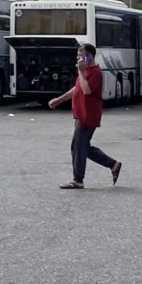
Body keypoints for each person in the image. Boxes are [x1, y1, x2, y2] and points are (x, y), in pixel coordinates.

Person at [49, 43, 122, 190]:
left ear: (89, 56)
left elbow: (87, 90)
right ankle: (113, 164)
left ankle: (78, 180)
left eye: (80, 55)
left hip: (88, 115)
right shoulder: (86, 70)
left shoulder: (95, 72)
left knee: (78, 146)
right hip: (81, 113)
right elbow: (78, 87)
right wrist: (60, 99)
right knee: (82, 147)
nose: (78, 58)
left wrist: (81, 72)